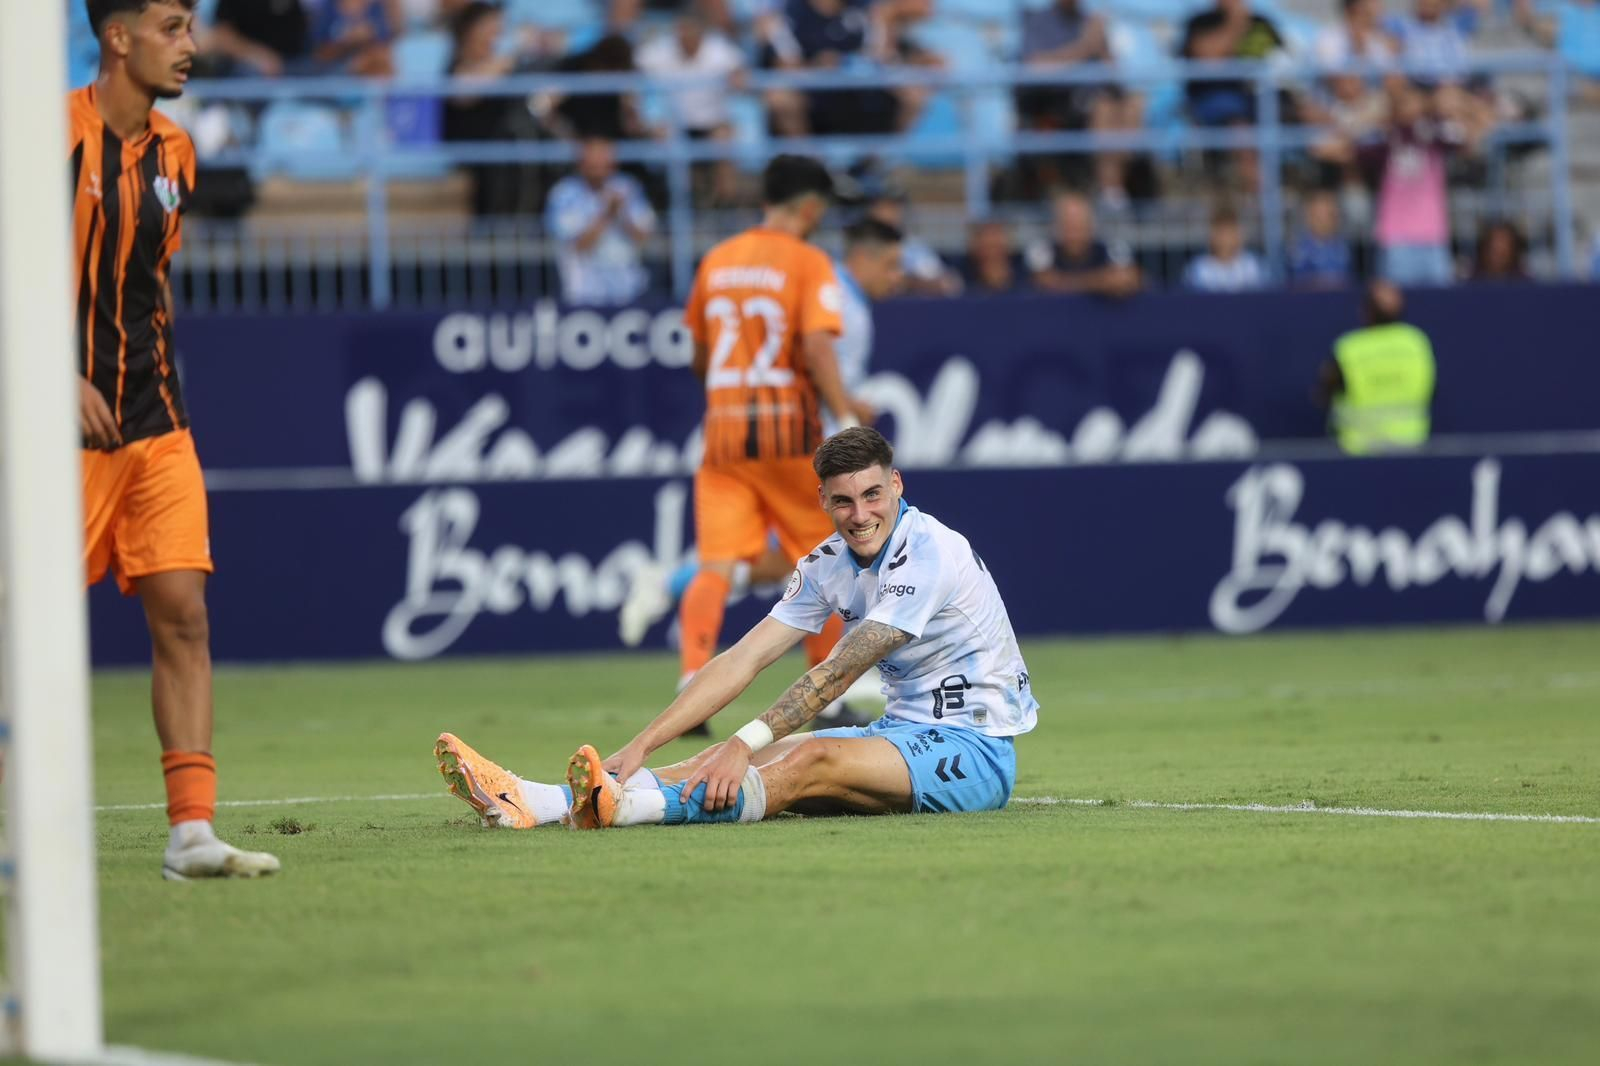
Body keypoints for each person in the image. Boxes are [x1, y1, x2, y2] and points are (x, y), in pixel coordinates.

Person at [435, 427, 1038, 830]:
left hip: (975, 750)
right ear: (822, 501)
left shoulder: (928, 549)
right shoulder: (827, 563)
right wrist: (644, 743)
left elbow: (839, 670)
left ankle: (623, 812)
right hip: (900, 733)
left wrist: (740, 742)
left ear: (898, 486)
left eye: (874, 495)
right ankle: (538, 801)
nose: (861, 516)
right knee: (765, 754)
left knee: (806, 756)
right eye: (843, 502)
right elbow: (742, 659)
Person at [74, 0, 280, 881]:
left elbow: (145, 288)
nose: (191, 45)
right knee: (25, 635)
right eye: (171, 26)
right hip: (57, 433)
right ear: (117, 37)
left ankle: (191, 831)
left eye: (192, 27)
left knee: (185, 617)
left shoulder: (175, 154)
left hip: (156, 424)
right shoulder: (47, 136)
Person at [616, 217, 904, 665]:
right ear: (861, 257)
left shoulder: (839, 292)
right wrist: (848, 417)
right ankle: (838, 676)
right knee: (830, 551)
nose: (896, 277)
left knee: (793, 558)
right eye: (890, 265)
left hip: (772, 435)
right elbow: (814, 358)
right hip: (804, 441)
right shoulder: (833, 291)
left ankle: (672, 587)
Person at [673, 157, 875, 708]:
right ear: (809, 206)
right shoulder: (808, 261)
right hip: (789, 438)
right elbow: (815, 346)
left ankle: (693, 679)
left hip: (724, 438)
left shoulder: (717, 260)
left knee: (715, 566)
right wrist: (848, 417)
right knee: (830, 555)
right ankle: (829, 695)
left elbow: (697, 353)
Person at [1016, 0, 1141, 211]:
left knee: (1133, 103)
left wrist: (1102, 46)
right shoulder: (1038, 22)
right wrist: (1085, 47)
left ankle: (1116, 185)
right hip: (1058, 104)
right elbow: (1035, 68)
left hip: (1096, 98)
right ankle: (1110, 189)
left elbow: (1115, 77)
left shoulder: (1090, 22)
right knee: (1104, 108)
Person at [635, 7, 746, 205]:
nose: (685, 35)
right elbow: (635, 71)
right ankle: (686, 205)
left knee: (725, 139)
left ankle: (725, 205)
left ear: (702, 31)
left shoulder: (720, 51)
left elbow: (741, 77)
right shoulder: (659, 51)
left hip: (713, 122)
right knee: (666, 138)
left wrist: (737, 80)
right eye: (682, 30)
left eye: (690, 30)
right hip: (673, 124)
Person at [1315, 280, 1437, 455]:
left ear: (1366, 312)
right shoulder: (1416, 342)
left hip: (1360, 449)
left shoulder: (1350, 348)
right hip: (1410, 444)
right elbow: (1432, 388)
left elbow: (1323, 394)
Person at [544, 136, 657, 306]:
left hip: (629, 290)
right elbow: (579, 245)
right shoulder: (564, 194)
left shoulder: (628, 187)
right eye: (594, 165)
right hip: (583, 292)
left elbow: (643, 237)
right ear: (581, 164)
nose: (600, 170)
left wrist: (622, 215)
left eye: (605, 164)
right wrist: (606, 215)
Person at [1026, 190, 1141, 297]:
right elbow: (1045, 281)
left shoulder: (1111, 248)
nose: (1074, 234)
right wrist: (1101, 281)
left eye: (1079, 226)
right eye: (1068, 226)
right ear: (1056, 226)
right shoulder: (1041, 249)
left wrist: (1066, 282)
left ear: (1091, 226)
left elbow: (1126, 278)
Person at [1184, 204, 1268, 292]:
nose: (1225, 239)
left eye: (1230, 232)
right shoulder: (1198, 269)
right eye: (1221, 233)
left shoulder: (1253, 265)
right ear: (1212, 236)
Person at [1287, 189, 1354, 288]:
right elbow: (1298, 282)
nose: (1329, 221)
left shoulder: (1343, 246)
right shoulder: (1299, 249)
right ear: (1309, 217)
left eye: (1332, 215)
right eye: (1322, 216)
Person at [958, 219, 1028, 295]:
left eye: (996, 247)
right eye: (986, 247)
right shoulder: (960, 281)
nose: (992, 255)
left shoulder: (1026, 279)